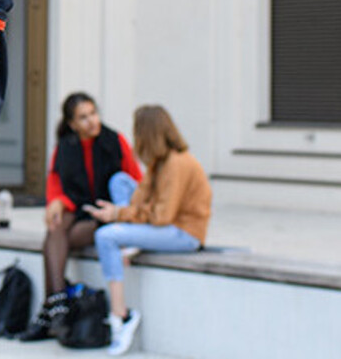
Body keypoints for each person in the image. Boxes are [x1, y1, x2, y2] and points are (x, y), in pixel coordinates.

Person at [84, 104, 212, 355]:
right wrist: (121, 213)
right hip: (164, 224)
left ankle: (121, 316)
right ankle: (130, 240)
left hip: (183, 233)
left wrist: (118, 216)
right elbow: (140, 201)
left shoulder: (177, 163)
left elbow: (163, 216)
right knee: (119, 181)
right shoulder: (159, 162)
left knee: (105, 236)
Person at [24, 92, 145, 339]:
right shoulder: (65, 147)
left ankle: (52, 309)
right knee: (56, 227)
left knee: (55, 240)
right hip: (76, 210)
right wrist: (56, 203)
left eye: (93, 113)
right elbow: (56, 184)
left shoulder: (115, 140)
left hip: (106, 214)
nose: (92, 121)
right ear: (72, 124)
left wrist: (125, 212)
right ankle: (58, 303)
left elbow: (136, 181)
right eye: (83, 117)